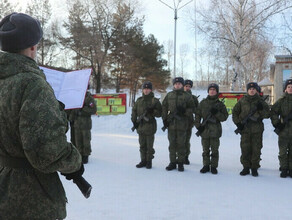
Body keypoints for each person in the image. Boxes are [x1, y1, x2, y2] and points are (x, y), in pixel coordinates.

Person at [0, 13, 84, 219]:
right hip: (31, 197)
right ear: (33, 46)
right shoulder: (32, 84)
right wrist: (74, 162)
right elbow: (46, 151)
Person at [232, 82, 270, 177]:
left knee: (256, 148)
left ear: (256, 90)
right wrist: (238, 124)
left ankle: (254, 167)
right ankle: (246, 167)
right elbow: (235, 113)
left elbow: (268, 114)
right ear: (247, 90)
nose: (252, 90)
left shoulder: (261, 101)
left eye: (253, 89)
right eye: (250, 89)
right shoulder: (242, 101)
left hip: (257, 129)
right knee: (245, 148)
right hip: (245, 129)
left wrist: (261, 110)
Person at [162, 77, 195, 172]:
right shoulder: (169, 95)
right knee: (172, 144)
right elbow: (164, 107)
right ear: (173, 85)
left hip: (182, 124)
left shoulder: (187, 96)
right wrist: (164, 119)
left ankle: (180, 163)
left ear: (182, 85)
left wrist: (184, 111)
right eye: (176, 84)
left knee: (181, 144)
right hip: (171, 124)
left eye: (179, 84)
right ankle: (172, 162)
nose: (177, 85)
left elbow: (193, 108)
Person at [194, 83, 228, 174]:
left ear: (216, 92)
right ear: (208, 91)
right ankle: (205, 165)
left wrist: (217, 113)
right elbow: (197, 115)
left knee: (214, 150)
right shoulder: (203, 103)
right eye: (210, 89)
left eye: (214, 90)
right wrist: (198, 126)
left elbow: (224, 117)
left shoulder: (220, 104)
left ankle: (213, 166)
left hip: (215, 130)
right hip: (204, 130)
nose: (212, 91)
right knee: (205, 150)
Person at [131, 81, 162, 169]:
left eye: (148, 89)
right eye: (144, 89)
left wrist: (152, 111)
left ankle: (149, 161)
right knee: (142, 145)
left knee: (149, 146)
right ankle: (143, 160)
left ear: (151, 90)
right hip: (140, 126)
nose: (146, 90)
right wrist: (134, 121)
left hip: (150, 127)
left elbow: (160, 113)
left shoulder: (154, 101)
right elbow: (134, 111)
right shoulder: (139, 100)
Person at [271, 79, 292, 178]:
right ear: (285, 89)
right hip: (283, 130)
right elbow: (273, 112)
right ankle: (284, 168)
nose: (291, 89)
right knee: (283, 151)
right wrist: (277, 124)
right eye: (289, 87)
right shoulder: (281, 101)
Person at [70, 90, 97, 164]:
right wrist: (71, 119)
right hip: (77, 123)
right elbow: (73, 110)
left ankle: (85, 156)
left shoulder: (89, 99)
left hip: (85, 124)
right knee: (77, 141)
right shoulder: (77, 98)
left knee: (86, 140)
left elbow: (93, 110)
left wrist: (82, 110)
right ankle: (79, 155)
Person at [183, 79, 199, 164]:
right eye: (186, 86)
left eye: (189, 86)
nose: (187, 88)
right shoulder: (179, 96)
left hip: (188, 122)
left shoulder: (193, 98)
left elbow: (197, 111)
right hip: (178, 122)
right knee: (178, 141)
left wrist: (188, 111)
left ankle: (185, 156)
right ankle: (178, 156)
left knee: (186, 140)